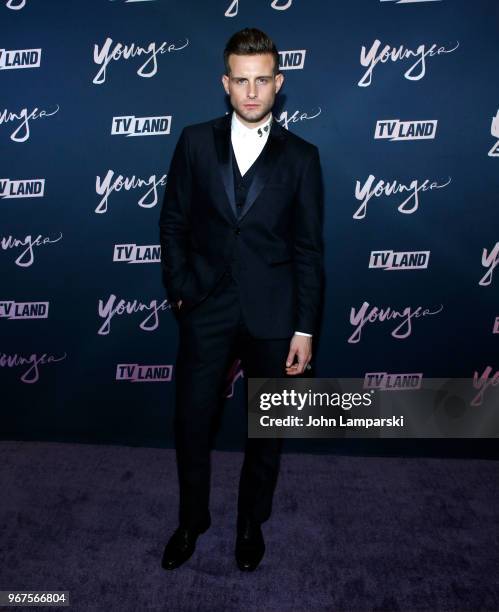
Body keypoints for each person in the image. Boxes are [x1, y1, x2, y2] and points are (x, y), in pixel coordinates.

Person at [158, 27, 324, 572]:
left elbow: (307, 248)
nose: (251, 93)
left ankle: (251, 522)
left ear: (278, 84)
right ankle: (192, 521)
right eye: (240, 81)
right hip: (205, 306)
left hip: (274, 315)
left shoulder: (302, 157)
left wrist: (304, 328)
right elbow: (174, 221)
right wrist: (182, 291)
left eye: (262, 81)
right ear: (225, 84)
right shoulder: (192, 141)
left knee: (267, 428)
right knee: (192, 422)